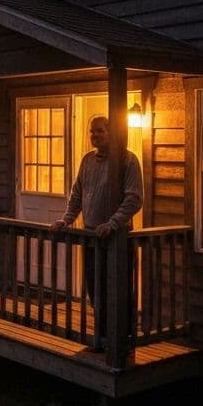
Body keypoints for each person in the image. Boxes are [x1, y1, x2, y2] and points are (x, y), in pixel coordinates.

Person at [49, 115, 143, 345]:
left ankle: (124, 339)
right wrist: (66, 220)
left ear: (111, 132)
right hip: (91, 238)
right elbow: (77, 195)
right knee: (96, 289)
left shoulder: (127, 160)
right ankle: (101, 338)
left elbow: (134, 199)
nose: (94, 135)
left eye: (100, 131)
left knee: (118, 290)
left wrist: (112, 224)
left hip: (117, 238)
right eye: (92, 131)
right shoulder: (87, 161)